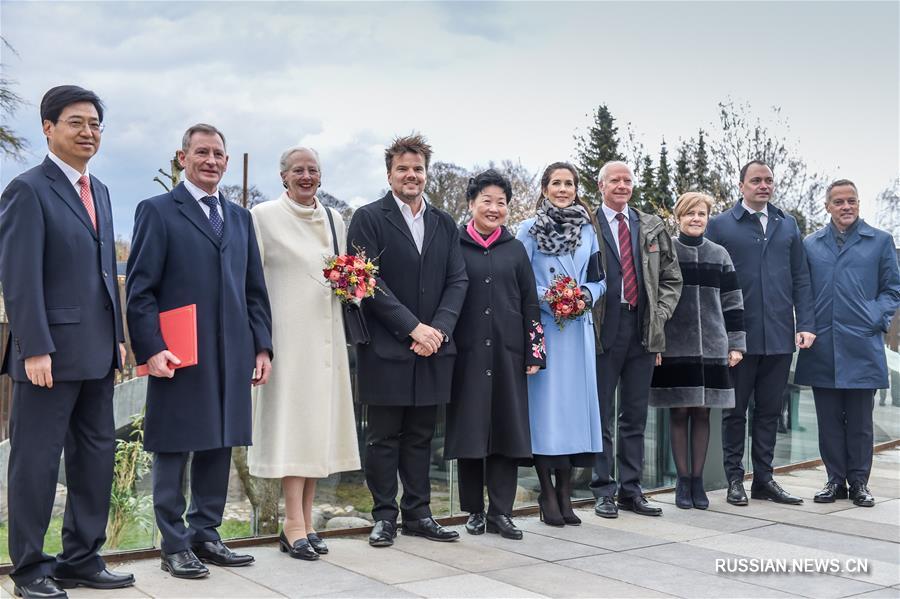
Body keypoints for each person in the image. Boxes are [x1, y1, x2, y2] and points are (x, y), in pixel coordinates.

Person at [0, 85, 134, 599]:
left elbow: (104, 275)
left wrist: (119, 339)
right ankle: (30, 570)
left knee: (95, 457)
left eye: (96, 123)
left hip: (99, 353)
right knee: (35, 462)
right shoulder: (27, 189)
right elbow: (19, 275)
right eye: (76, 122)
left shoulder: (98, 189)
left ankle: (81, 559)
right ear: (48, 128)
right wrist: (33, 345)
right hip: (47, 357)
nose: (88, 132)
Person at [126, 124, 273, 578]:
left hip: (233, 353)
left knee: (219, 443)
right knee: (174, 447)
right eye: (202, 152)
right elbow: (140, 290)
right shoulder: (157, 211)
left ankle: (206, 535)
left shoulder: (240, 218)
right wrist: (151, 348)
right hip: (179, 353)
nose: (211, 160)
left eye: (218, 154)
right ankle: (174, 545)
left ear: (227, 162)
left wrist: (262, 346)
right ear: (182, 157)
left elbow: (254, 289)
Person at [346, 134, 468, 547]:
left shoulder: (444, 223)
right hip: (385, 348)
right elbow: (367, 279)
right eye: (403, 169)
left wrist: (438, 331)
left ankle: (419, 514)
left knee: (420, 437)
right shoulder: (368, 217)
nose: (411, 175)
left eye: (417, 169)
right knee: (382, 437)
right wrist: (412, 327)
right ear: (389, 174)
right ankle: (384, 516)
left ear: (426, 174)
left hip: (434, 347)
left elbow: (457, 279)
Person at [248, 146, 360, 559]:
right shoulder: (262, 217)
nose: (307, 176)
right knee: (293, 431)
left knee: (318, 433)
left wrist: (356, 284)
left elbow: (344, 276)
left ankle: (307, 522)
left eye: (313, 170)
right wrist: (258, 342)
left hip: (327, 341)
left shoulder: (335, 219)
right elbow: (251, 283)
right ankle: (291, 523)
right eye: (298, 170)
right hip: (287, 342)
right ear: (283, 176)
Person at [706, 160, 816, 506]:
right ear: (741, 185)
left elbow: (801, 277)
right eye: (756, 180)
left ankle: (765, 479)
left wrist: (807, 323)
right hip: (738, 337)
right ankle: (735, 480)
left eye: (768, 180)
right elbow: (709, 283)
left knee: (769, 412)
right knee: (735, 412)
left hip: (780, 336)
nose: (763, 185)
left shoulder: (787, 225)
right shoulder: (720, 225)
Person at [445, 169, 545, 540]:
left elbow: (530, 302)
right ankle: (473, 510)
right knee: (471, 432)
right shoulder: (453, 244)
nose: (494, 208)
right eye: (486, 201)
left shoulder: (515, 249)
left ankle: (501, 512)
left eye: (501, 202)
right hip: (466, 355)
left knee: (506, 430)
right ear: (471, 204)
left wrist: (535, 351)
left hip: (508, 353)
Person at [794, 179, 900, 507]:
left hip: (861, 345)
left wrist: (874, 317)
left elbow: (892, 290)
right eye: (838, 202)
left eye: (851, 201)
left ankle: (859, 483)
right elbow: (803, 291)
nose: (846, 207)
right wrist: (807, 326)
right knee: (828, 421)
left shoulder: (880, 242)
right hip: (822, 345)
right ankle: (834, 481)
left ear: (858, 203)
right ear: (827, 206)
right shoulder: (811, 244)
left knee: (860, 422)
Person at [589, 161, 683, 519]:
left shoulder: (651, 225)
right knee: (600, 416)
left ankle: (632, 489)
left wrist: (658, 316)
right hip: (602, 330)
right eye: (615, 180)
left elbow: (672, 279)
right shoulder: (588, 224)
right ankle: (602, 490)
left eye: (627, 180)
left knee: (635, 416)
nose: (622, 185)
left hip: (643, 329)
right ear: (601, 186)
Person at [516, 162, 607, 527]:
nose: (563, 189)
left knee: (572, 413)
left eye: (569, 183)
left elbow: (599, 279)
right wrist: (550, 296)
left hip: (578, 328)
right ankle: (546, 491)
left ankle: (567, 491)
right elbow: (518, 279)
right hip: (547, 329)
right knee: (546, 413)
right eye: (556, 183)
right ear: (544, 187)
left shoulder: (589, 230)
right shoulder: (528, 229)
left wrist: (582, 295)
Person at [649, 192, 746, 509]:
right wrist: (656, 340)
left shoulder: (719, 254)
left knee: (703, 413)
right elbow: (654, 300)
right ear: (678, 217)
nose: (696, 219)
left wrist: (736, 343)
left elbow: (733, 302)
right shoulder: (667, 252)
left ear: (707, 218)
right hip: (675, 345)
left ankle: (697, 482)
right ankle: (681, 482)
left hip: (713, 347)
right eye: (690, 213)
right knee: (679, 411)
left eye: (701, 214)